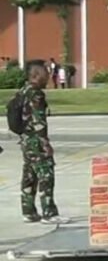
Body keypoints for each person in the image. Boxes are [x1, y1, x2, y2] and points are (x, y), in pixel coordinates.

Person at [19, 61, 60, 224]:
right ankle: (48, 212)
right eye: (45, 72)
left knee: (29, 175)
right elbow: (38, 121)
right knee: (46, 175)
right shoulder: (36, 94)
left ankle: (28, 211)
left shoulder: (23, 91)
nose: (48, 76)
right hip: (36, 141)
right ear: (36, 75)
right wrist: (45, 143)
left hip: (26, 141)